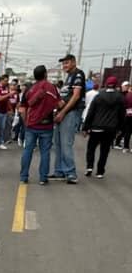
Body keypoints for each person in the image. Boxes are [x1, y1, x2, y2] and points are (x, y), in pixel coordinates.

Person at [18, 65, 61, 185]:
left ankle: (23, 177)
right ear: (45, 74)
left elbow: (22, 109)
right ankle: (43, 178)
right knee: (45, 152)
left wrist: (26, 122)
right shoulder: (52, 88)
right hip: (47, 126)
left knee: (28, 150)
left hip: (31, 125)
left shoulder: (29, 89)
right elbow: (59, 104)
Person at [82, 76, 126, 179]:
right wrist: (120, 129)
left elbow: (91, 112)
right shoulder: (120, 98)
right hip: (110, 129)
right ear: (116, 85)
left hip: (96, 127)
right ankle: (100, 171)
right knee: (104, 151)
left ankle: (89, 167)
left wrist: (85, 127)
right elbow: (121, 115)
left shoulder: (99, 96)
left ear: (106, 84)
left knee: (91, 148)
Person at [52, 53, 85, 184]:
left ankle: (71, 173)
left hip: (70, 113)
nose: (64, 65)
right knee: (58, 144)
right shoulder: (69, 77)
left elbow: (76, 96)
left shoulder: (78, 74)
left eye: (67, 63)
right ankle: (59, 171)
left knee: (66, 144)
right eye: (63, 63)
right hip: (62, 113)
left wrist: (63, 112)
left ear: (74, 62)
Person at [120, 81, 132, 152]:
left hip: (128, 115)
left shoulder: (127, 95)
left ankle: (125, 147)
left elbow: (124, 105)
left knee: (127, 132)